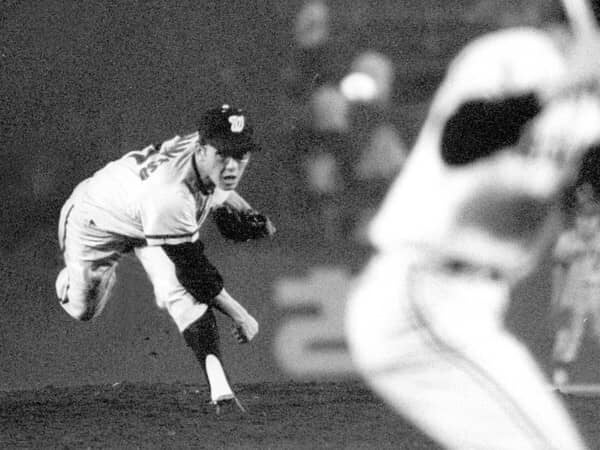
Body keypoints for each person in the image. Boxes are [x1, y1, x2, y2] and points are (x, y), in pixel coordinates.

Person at [345, 5, 600, 449]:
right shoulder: (513, 54)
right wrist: (562, 84)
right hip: (423, 290)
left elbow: (584, 188)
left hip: (475, 303)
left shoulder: (590, 106)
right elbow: (459, 141)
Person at [55, 104, 275, 412]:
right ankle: (69, 281)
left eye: (241, 155)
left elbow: (216, 182)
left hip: (147, 218)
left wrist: (245, 209)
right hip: (95, 222)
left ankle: (219, 387)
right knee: (83, 309)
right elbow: (196, 274)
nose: (232, 166)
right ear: (201, 149)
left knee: (181, 295)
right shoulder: (170, 196)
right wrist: (241, 315)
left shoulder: (204, 153)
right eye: (223, 154)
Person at [551, 182, 600, 388]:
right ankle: (560, 374)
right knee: (568, 336)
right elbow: (558, 270)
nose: (587, 223)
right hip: (573, 295)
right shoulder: (567, 240)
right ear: (576, 219)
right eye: (583, 218)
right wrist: (556, 298)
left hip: (597, 295)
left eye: (592, 218)